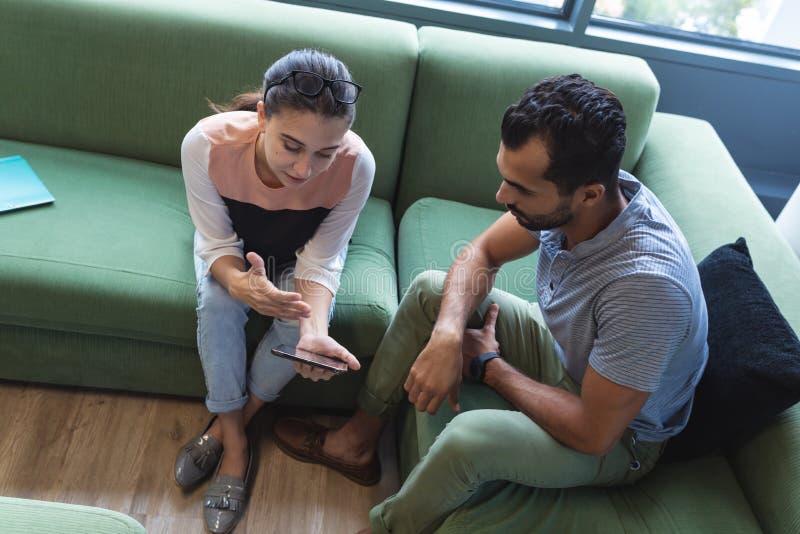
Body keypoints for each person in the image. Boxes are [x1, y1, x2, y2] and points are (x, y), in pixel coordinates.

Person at [272, 74, 709, 533]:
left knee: (469, 436)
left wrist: (490, 366)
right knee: (430, 291)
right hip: (567, 358)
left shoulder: (646, 289)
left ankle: (385, 529)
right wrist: (445, 337)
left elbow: (594, 432)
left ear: (589, 195)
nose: (502, 197)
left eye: (521, 189)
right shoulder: (598, 192)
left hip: (621, 437)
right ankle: (356, 443)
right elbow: (481, 253)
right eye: (506, 178)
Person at [174, 49, 373, 534]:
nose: (306, 170)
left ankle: (232, 422)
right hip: (236, 249)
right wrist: (239, 282)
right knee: (220, 300)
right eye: (291, 145)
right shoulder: (206, 144)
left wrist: (314, 329)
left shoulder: (356, 166)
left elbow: (321, 260)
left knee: (297, 319)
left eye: (325, 152)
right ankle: (237, 449)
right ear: (261, 116)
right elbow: (217, 242)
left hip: (303, 253)